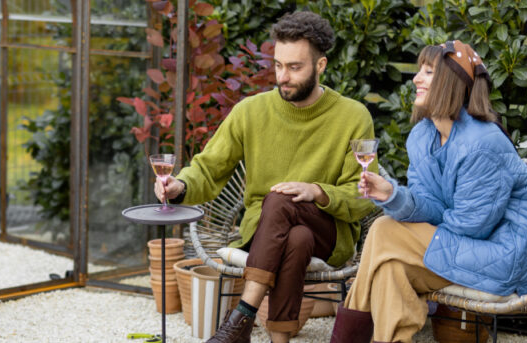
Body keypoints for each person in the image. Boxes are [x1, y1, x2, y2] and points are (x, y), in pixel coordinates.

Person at [155, 11, 377, 343]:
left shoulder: (353, 116)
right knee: (296, 237)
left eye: (294, 67)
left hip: (329, 230)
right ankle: (279, 340)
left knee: (281, 199)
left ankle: (241, 317)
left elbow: (363, 195)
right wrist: (180, 186)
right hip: (265, 231)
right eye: (278, 65)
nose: (283, 76)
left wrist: (316, 191)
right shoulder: (251, 111)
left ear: (321, 66)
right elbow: (208, 167)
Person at [329, 40, 527, 343]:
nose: (416, 78)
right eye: (419, 70)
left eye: (428, 72)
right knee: (389, 266)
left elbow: (474, 226)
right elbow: (429, 204)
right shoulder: (423, 136)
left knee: (384, 230)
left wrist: (412, 234)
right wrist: (392, 194)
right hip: (462, 252)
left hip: (503, 257)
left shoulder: (483, 143)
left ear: (451, 83)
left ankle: (344, 340)